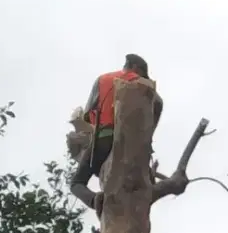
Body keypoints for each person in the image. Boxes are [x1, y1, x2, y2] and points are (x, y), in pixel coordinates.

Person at [70, 54, 163, 216]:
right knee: (135, 182)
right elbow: (159, 104)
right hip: (134, 143)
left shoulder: (103, 80)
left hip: (105, 136)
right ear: (135, 68)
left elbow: (87, 114)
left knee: (77, 183)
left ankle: (95, 200)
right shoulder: (145, 84)